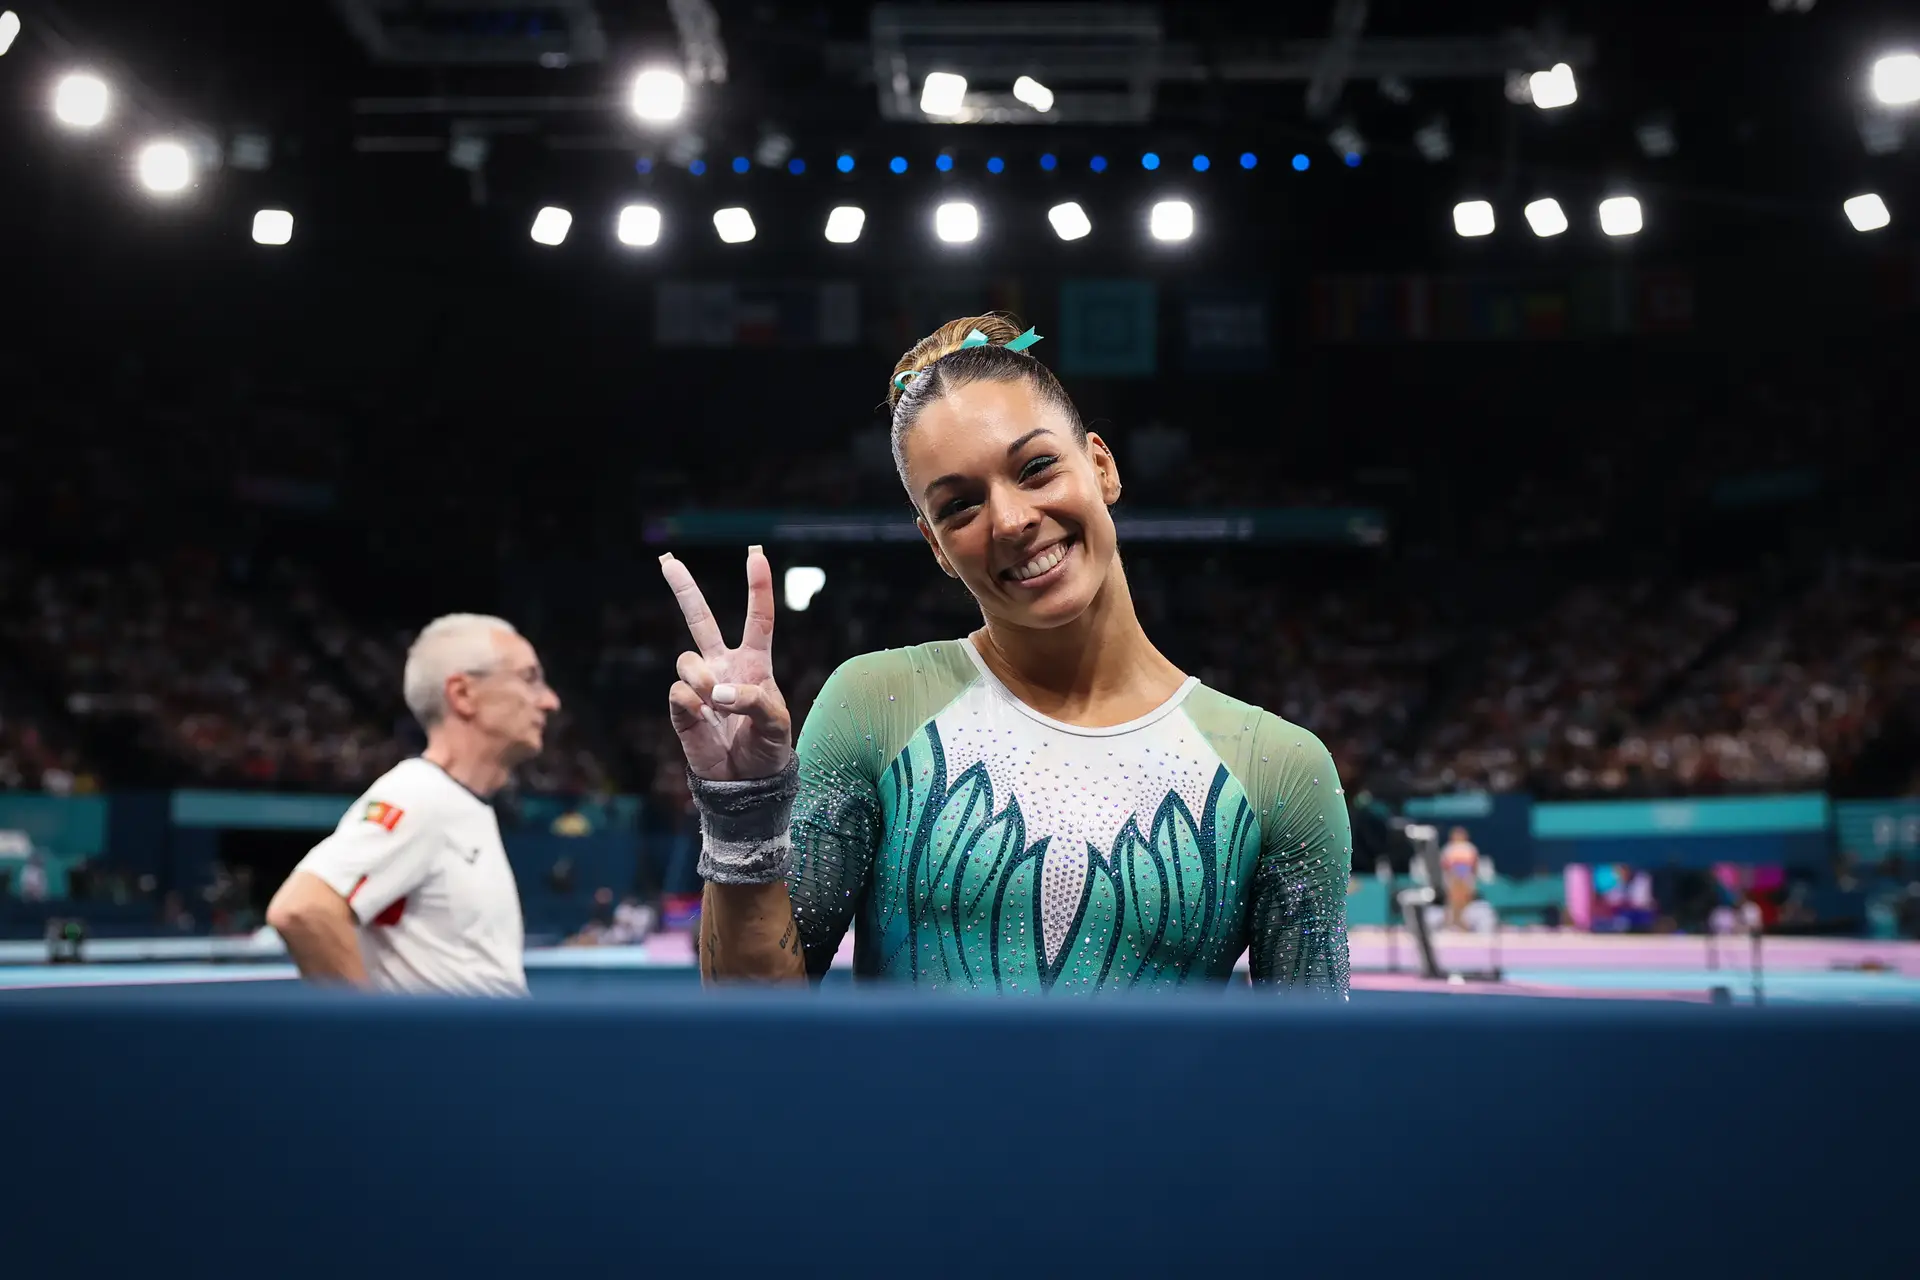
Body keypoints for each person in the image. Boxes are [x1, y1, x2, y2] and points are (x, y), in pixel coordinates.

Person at [659, 313, 1351, 994]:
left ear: (1102, 466)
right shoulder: (876, 705)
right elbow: (755, 1030)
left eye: (1037, 467)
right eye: (960, 506)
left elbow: (1313, 1080)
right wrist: (741, 812)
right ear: (936, 547)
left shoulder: (1278, 770)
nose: (1013, 520)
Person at [265, 614, 558, 995]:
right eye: (529, 678)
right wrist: (374, 1038)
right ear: (463, 694)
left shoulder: (455, 802)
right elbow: (304, 910)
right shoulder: (420, 796)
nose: (550, 701)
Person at [1439, 825, 1481, 930]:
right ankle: (1451, 920)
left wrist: (1472, 878)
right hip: (1452, 876)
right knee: (1453, 899)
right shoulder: (1448, 848)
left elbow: (1474, 864)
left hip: (1466, 876)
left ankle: (1463, 921)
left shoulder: (1470, 848)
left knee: (1465, 899)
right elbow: (1444, 865)